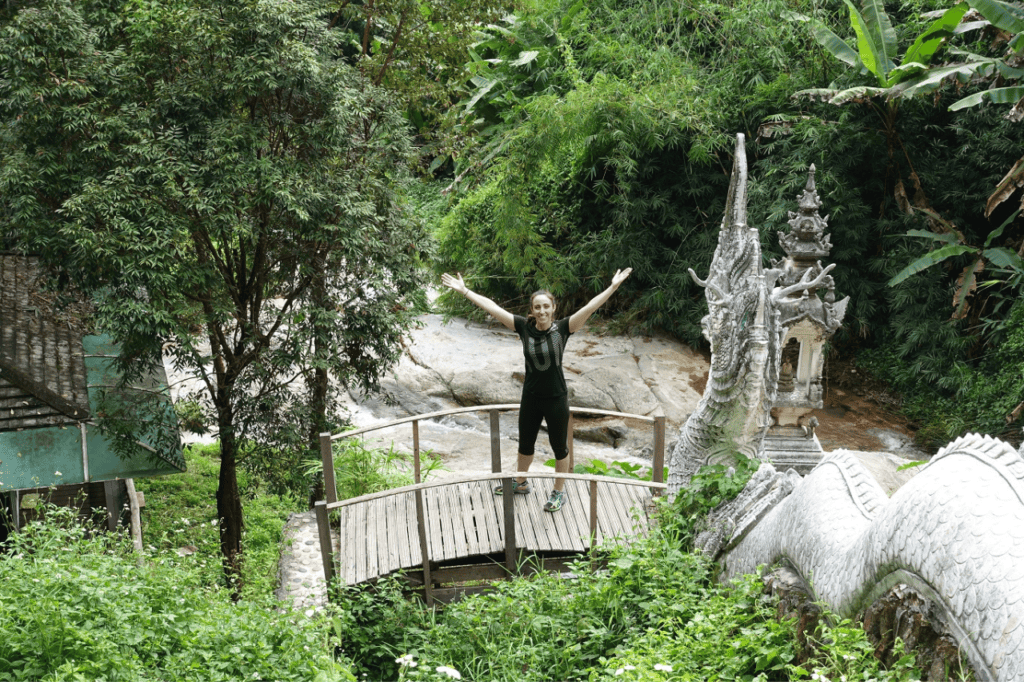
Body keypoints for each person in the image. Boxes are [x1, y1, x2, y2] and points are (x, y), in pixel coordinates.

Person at [441, 269, 633, 512]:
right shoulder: (523, 327)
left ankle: (559, 492)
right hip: (530, 397)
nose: (542, 311)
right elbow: (492, 308)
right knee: (525, 445)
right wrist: (465, 290)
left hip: (556, 398)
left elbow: (590, 308)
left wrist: (613, 287)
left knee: (559, 447)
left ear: (553, 308)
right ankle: (520, 482)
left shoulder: (564, 328)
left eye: (546, 307)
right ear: (532, 311)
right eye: (537, 307)